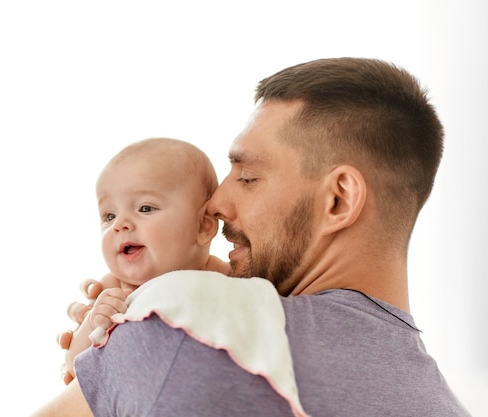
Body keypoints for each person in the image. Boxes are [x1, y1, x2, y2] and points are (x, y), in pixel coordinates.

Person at [33, 58, 471, 416]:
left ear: (338, 199)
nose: (215, 203)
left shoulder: (190, 319)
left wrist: (123, 346)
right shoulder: (445, 408)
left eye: (247, 176)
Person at [61, 137, 230, 379]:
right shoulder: (114, 291)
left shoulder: (226, 277)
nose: (120, 224)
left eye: (145, 208)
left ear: (203, 227)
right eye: (109, 216)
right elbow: (72, 367)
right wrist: (91, 322)